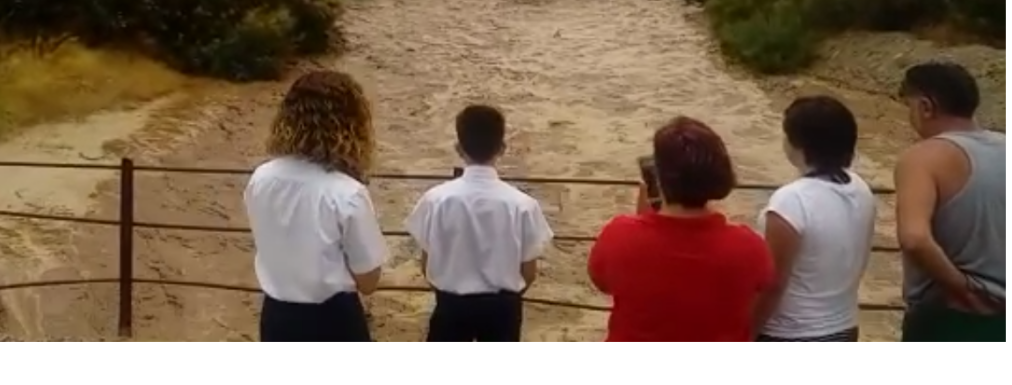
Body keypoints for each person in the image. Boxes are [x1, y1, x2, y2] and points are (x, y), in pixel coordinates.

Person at [587, 116, 774, 341]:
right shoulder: (749, 247)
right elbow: (758, 290)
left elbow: (604, 283)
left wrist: (644, 218)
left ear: (658, 179)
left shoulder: (619, 235)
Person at [243, 70, 388, 342]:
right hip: (333, 321)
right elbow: (369, 281)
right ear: (351, 125)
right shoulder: (347, 193)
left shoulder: (260, 178)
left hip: (276, 317)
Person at [405, 104, 554, 341]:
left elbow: (427, 264)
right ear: (502, 148)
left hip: (451, 306)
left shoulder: (435, 200)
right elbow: (529, 272)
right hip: (502, 309)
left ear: (459, 148)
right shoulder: (523, 205)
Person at [894, 62, 1005, 342]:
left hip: (951, 315)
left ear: (925, 107)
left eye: (909, 107)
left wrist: (963, 290)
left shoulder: (924, 157)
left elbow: (914, 238)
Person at [753, 96, 876, 341]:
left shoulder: (791, 201)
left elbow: (773, 284)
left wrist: (746, 333)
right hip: (844, 326)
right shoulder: (861, 189)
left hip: (790, 332)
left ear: (798, 144)